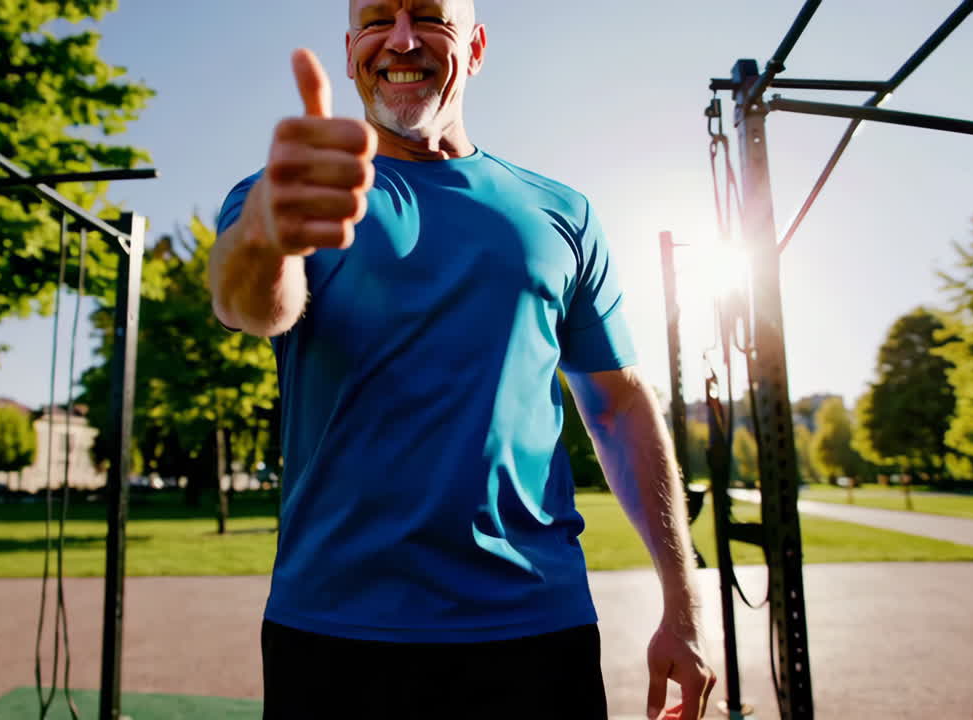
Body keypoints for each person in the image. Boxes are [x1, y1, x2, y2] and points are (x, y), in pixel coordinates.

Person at [209, 1, 716, 717]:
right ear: (352, 46)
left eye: (429, 18)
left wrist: (683, 603)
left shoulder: (561, 213)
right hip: (334, 634)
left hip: (537, 633)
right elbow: (250, 306)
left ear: (475, 47)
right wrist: (267, 231)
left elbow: (619, 404)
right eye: (379, 18)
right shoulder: (295, 195)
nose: (402, 39)